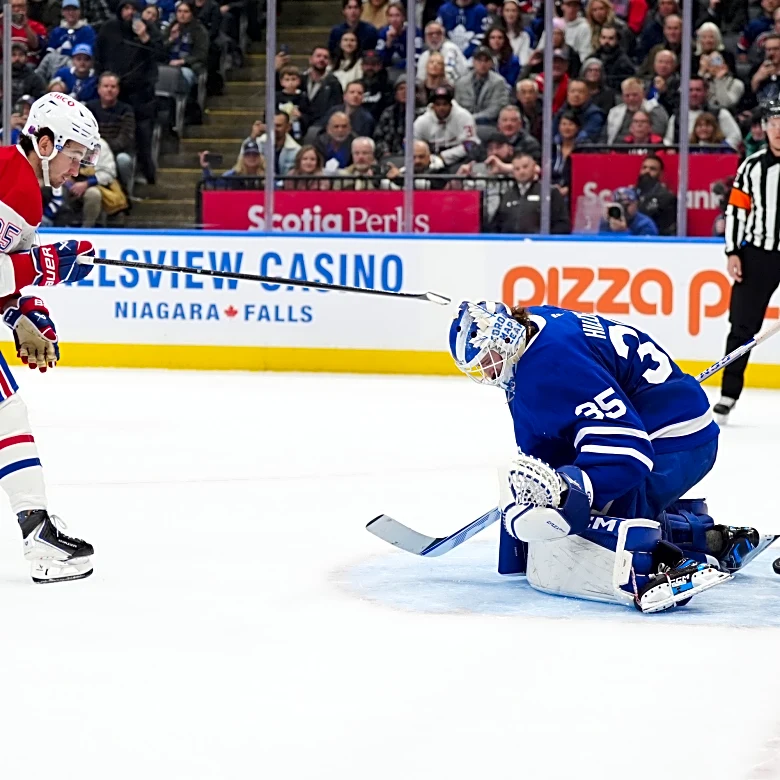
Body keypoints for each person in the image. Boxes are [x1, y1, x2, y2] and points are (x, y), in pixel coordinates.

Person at [446, 300, 753, 613]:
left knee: (587, 529)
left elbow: (627, 452)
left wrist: (571, 490)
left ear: (505, 337)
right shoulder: (534, 326)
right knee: (568, 514)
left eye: (488, 358)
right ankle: (707, 536)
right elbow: (556, 427)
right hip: (659, 417)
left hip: (674, 440)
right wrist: (549, 487)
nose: (487, 372)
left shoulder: (550, 364)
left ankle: (670, 563)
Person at [0, 92, 98, 582]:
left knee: (7, 412)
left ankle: (37, 530)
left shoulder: (21, 183)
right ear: (44, 143)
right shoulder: (11, 178)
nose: (76, 169)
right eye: (73, 156)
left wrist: (26, 312)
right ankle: (37, 534)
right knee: (6, 413)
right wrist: (44, 265)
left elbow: (6, 274)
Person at [714, 99, 780, 425]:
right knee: (741, 326)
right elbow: (737, 212)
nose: (779, 130)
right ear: (764, 128)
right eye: (774, 123)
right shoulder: (752, 167)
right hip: (757, 256)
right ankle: (728, 394)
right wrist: (733, 252)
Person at [490, 151, 570, 233]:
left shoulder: (550, 192)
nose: (521, 172)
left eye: (525, 167)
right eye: (517, 169)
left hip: (539, 240)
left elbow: (562, 225)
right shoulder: (507, 195)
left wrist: (544, 238)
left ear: (534, 167)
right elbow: (495, 225)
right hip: (509, 240)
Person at [85, 72, 135, 194]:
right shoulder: (89, 108)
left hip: (117, 151)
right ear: (99, 89)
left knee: (123, 160)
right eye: (106, 86)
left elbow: (125, 138)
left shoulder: (126, 110)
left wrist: (104, 149)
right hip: (93, 151)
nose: (109, 90)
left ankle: (124, 194)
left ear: (118, 90)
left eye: (113, 87)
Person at [413, 84, 479, 167]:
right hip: (431, 159)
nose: (441, 108)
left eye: (445, 104)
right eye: (438, 104)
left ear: (451, 104)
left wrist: (443, 157)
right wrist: (430, 158)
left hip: (459, 160)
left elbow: (471, 144)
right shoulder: (422, 121)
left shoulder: (464, 116)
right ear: (433, 106)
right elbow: (412, 145)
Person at [453, 45, 509, 126]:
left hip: (489, 124)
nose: (483, 64)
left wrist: (472, 118)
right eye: (479, 60)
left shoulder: (499, 82)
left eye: (486, 60)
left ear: (491, 63)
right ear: (473, 62)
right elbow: (456, 107)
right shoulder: (461, 82)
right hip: (463, 124)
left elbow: (496, 109)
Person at [299, 46, 344, 138]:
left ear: (329, 62)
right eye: (318, 56)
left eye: (325, 57)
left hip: (322, 128)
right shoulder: (300, 79)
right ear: (310, 59)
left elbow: (335, 108)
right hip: (300, 125)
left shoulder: (334, 83)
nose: (322, 59)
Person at [634, 153, 676, 235]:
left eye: (652, 169)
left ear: (661, 174)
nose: (647, 171)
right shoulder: (632, 193)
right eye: (644, 167)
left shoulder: (667, 198)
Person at [416, 20, 469, 84]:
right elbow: (420, 79)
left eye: (438, 33)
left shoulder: (450, 49)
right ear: (425, 37)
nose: (434, 36)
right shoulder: (424, 56)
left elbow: (449, 78)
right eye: (430, 34)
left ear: (443, 35)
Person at [500, 0, 531, 65]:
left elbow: (523, 60)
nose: (510, 14)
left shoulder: (524, 36)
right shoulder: (496, 34)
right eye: (507, 10)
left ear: (518, 13)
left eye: (513, 11)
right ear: (502, 13)